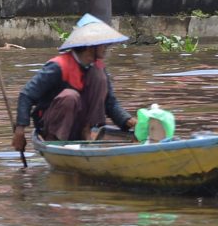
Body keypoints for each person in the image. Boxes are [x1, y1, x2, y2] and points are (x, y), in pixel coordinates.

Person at [12, 13, 137, 153]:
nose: (106, 47)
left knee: (99, 76)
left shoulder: (98, 68)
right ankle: (58, 142)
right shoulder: (57, 67)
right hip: (52, 127)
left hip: (82, 125)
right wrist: (20, 131)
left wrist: (129, 121)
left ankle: (87, 132)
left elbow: (110, 103)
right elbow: (26, 95)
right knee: (70, 96)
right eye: (102, 44)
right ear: (90, 46)